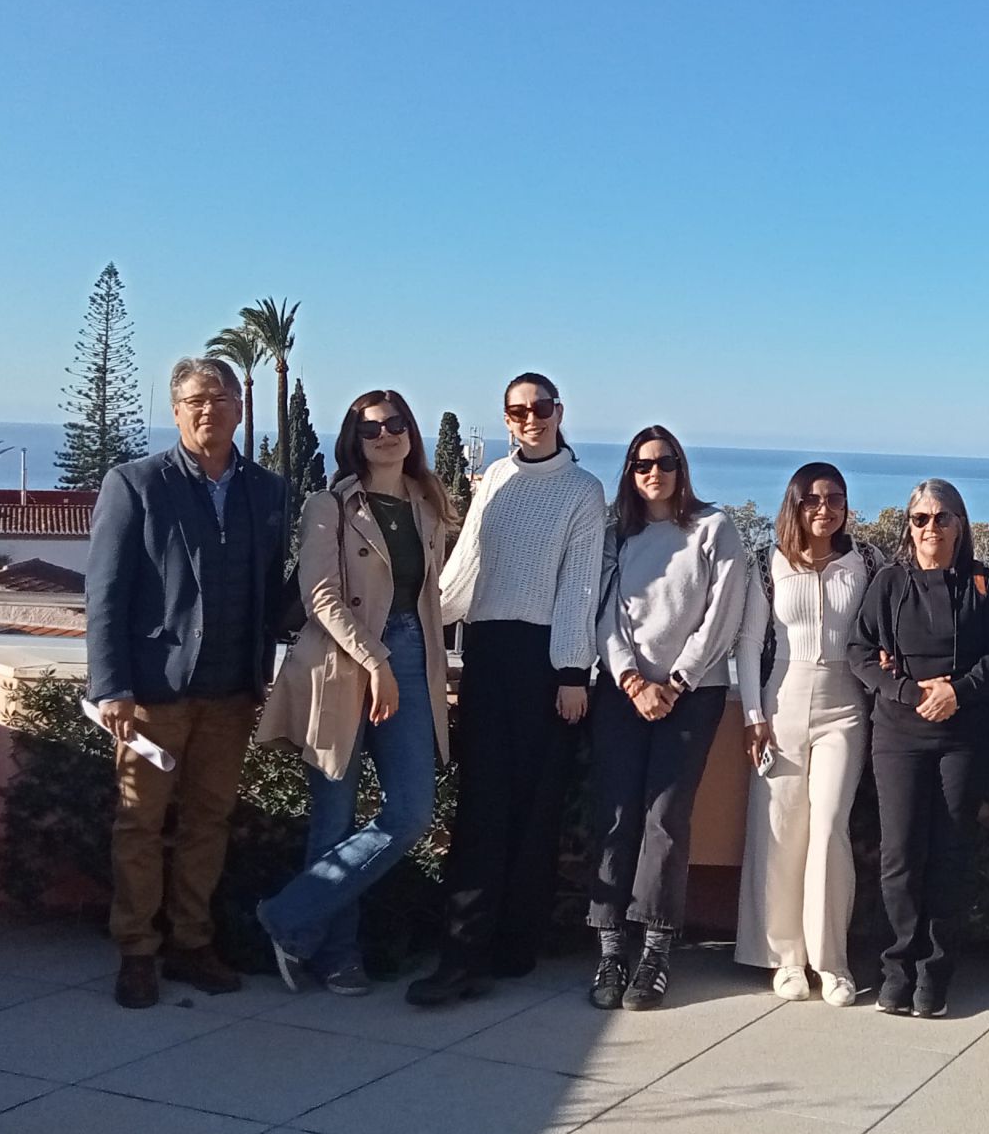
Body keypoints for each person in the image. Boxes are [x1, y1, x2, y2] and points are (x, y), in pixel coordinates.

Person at [86, 356, 289, 1008]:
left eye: (221, 397)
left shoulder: (268, 491)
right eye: (196, 400)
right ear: (176, 412)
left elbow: (274, 591)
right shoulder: (136, 483)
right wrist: (111, 687)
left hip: (232, 694)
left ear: (239, 408)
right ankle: (136, 950)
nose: (209, 409)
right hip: (152, 693)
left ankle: (191, 942)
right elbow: (105, 594)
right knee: (139, 825)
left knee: (209, 821)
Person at [408, 372, 605, 1006]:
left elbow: (579, 586)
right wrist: (420, 623)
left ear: (559, 411)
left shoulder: (583, 490)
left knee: (536, 810)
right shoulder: (494, 477)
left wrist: (572, 671)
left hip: (545, 663)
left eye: (540, 407)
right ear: (506, 418)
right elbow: (467, 564)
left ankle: (514, 947)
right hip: (488, 653)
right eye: (517, 411)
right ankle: (463, 953)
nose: (530, 418)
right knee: (481, 807)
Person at [255, 389, 453, 994]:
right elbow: (320, 593)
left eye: (396, 424)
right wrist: (375, 660)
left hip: (412, 657)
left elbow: (438, 594)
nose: (386, 435)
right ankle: (336, 956)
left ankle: (288, 916)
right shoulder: (330, 503)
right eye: (371, 429)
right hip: (341, 661)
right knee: (334, 817)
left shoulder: (429, 503)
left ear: (411, 431)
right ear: (354, 440)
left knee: (411, 813)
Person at [589, 427, 752, 1012]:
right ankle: (611, 949)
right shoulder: (618, 534)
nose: (653, 473)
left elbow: (722, 615)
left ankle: (655, 952)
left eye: (664, 463)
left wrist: (676, 682)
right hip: (622, 693)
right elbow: (604, 615)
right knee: (616, 813)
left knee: (666, 816)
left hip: (693, 694)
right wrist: (633, 681)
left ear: (681, 469)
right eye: (641, 465)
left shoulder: (715, 528)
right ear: (629, 474)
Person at [848, 480, 989, 1017]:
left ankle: (934, 973)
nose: (931, 528)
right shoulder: (889, 583)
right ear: (909, 526)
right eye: (920, 518)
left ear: (960, 525)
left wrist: (957, 691)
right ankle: (896, 969)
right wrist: (907, 692)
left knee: (949, 854)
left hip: (962, 737)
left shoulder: (982, 584)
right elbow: (859, 651)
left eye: (942, 518)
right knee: (899, 855)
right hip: (898, 735)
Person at [735, 463, 881, 1007]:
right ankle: (785, 958)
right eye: (813, 500)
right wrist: (753, 715)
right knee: (779, 829)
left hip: (846, 705)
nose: (825, 509)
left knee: (828, 827)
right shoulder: (766, 562)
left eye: (835, 499)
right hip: (783, 701)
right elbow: (749, 643)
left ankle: (831, 962)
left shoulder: (866, 561)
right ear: (794, 504)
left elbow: (882, 629)